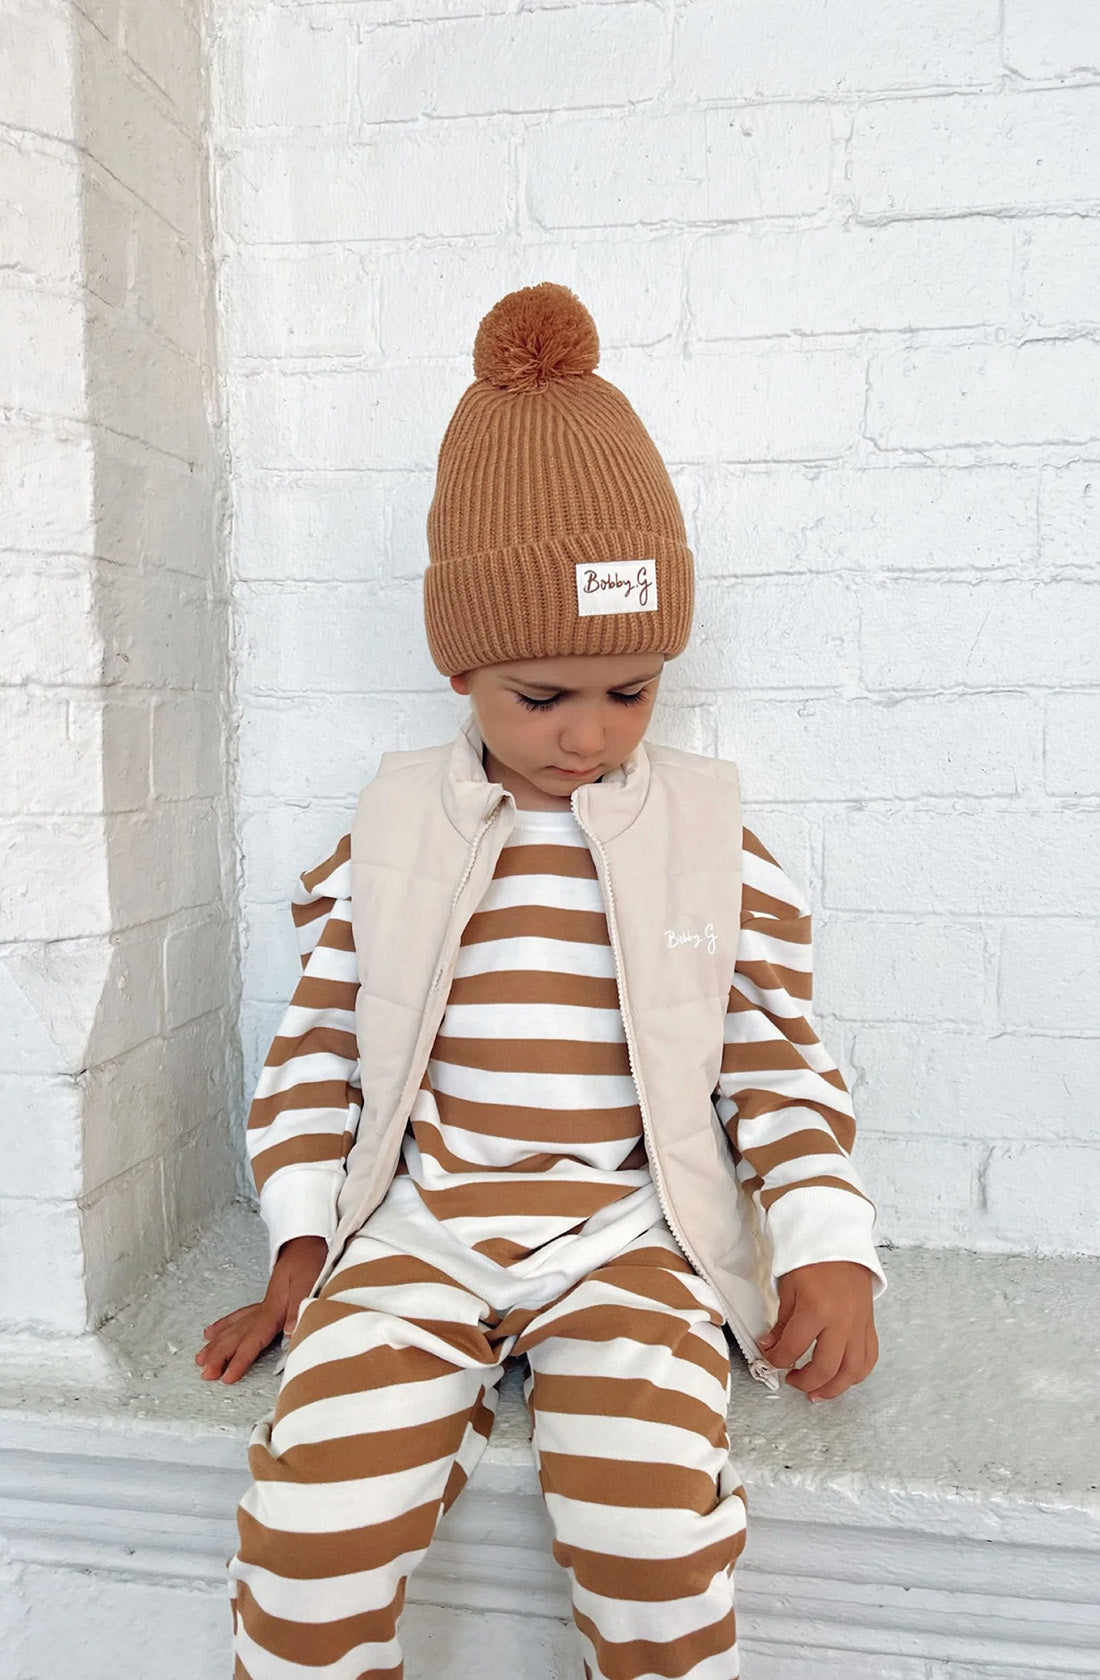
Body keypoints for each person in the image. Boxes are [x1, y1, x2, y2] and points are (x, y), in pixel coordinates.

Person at [198, 281, 888, 1680]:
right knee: (305, 1518)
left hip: (631, 1237)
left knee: (652, 1531)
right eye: (542, 696)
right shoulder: (393, 826)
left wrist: (825, 1244)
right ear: (462, 668)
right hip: (420, 1228)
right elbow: (320, 1044)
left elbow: (776, 1060)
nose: (588, 736)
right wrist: (298, 1247)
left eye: (630, 691)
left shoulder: (707, 836)